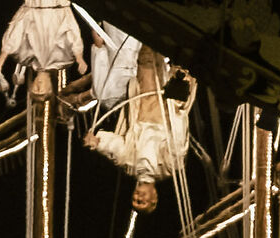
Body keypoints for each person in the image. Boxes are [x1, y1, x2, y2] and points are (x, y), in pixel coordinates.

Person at [80, 42, 194, 212]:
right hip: (165, 111)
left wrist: (97, 143)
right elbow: (178, 139)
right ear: (154, 198)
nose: (138, 197)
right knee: (180, 63)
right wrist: (177, 111)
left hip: (143, 109)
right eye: (142, 201)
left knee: (146, 60)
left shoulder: (129, 165)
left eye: (134, 200)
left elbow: (117, 148)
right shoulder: (170, 168)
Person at [0, 0, 84, 104]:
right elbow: (71, 33)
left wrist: (1, 59)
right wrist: (79, 58)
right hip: (56, 1)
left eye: (35, 90)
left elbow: (16, 31)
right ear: (50, 87)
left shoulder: (25, 57)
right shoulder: (63, 60)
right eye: (42, 90)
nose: (38, 86)